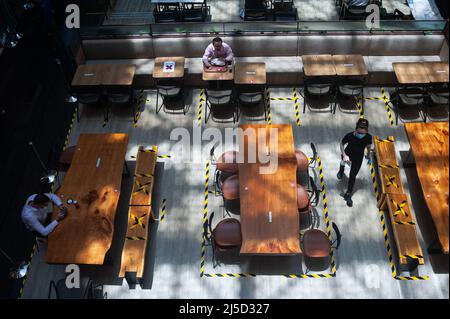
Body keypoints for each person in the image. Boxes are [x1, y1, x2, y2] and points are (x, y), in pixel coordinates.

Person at [337, 118, 373, 207]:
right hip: (348, 154)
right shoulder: (349, 136)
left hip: (358, 158)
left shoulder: (368, 137)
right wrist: (344, 155)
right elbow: (342, 143)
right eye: (359, 133)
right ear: (356, 129)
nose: (361, 135)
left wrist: (368, 155)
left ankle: (348, 193)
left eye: (363, 133)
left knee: (352, 175)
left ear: (367, 131)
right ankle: (341, 171)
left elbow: (368, 146)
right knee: (342, 162)